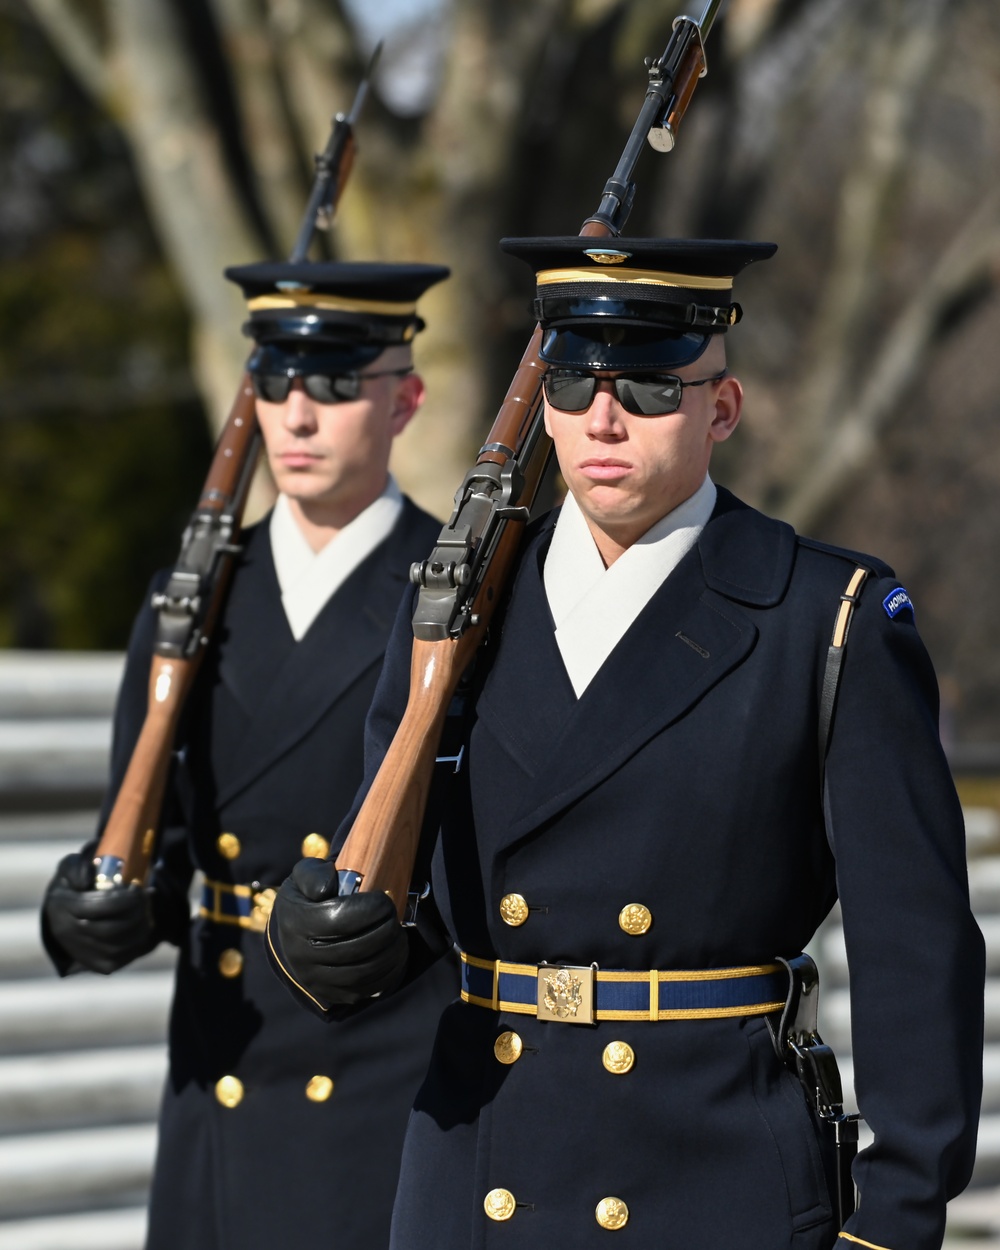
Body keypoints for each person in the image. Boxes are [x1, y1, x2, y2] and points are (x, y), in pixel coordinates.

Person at [267, 235, 985, 1250]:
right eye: (571, 380)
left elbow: (914, 945)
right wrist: (326, 934)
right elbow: (407, 894)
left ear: (719, 408)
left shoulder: (825, 616)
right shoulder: (455, 605)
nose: (604, 416)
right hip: (477, 1170)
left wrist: (896, 1211)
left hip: (711, 1174)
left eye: (649, 386)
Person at [40, 259, 458, 1250]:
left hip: (382, 1078)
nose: (298, 416)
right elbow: (152, 835)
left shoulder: (457, 605)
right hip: (219, 1077)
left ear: (405, 399)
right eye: (274, 383)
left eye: (334, 383)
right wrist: (94, 906)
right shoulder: (192, 600)